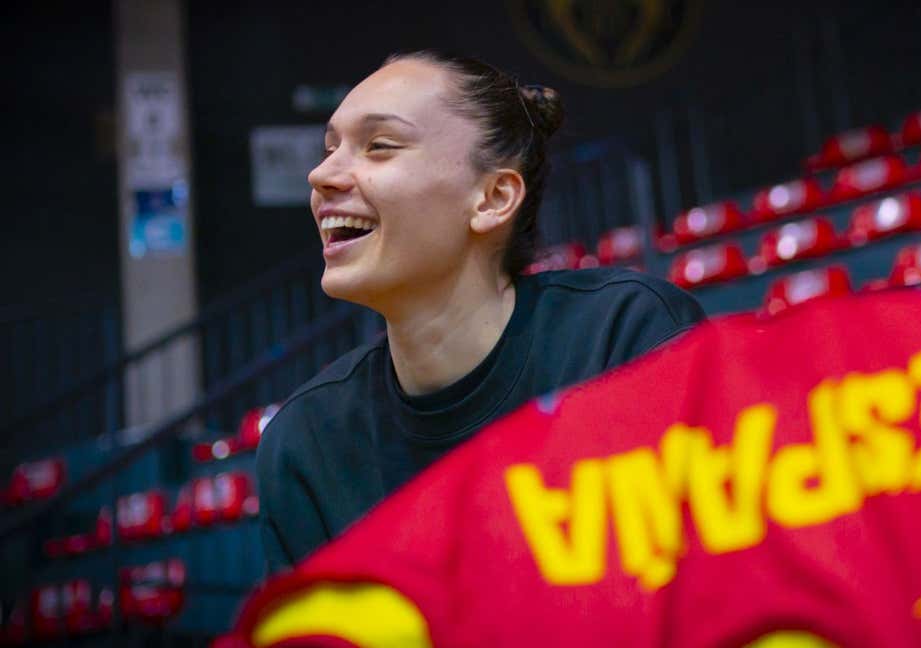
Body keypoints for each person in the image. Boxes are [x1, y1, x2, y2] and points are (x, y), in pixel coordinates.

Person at [255, 50, 706, 573]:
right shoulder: (305, 441)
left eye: (379, 146)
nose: (321, 175)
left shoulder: (627, 335)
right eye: (330, 148)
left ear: (493, 197)